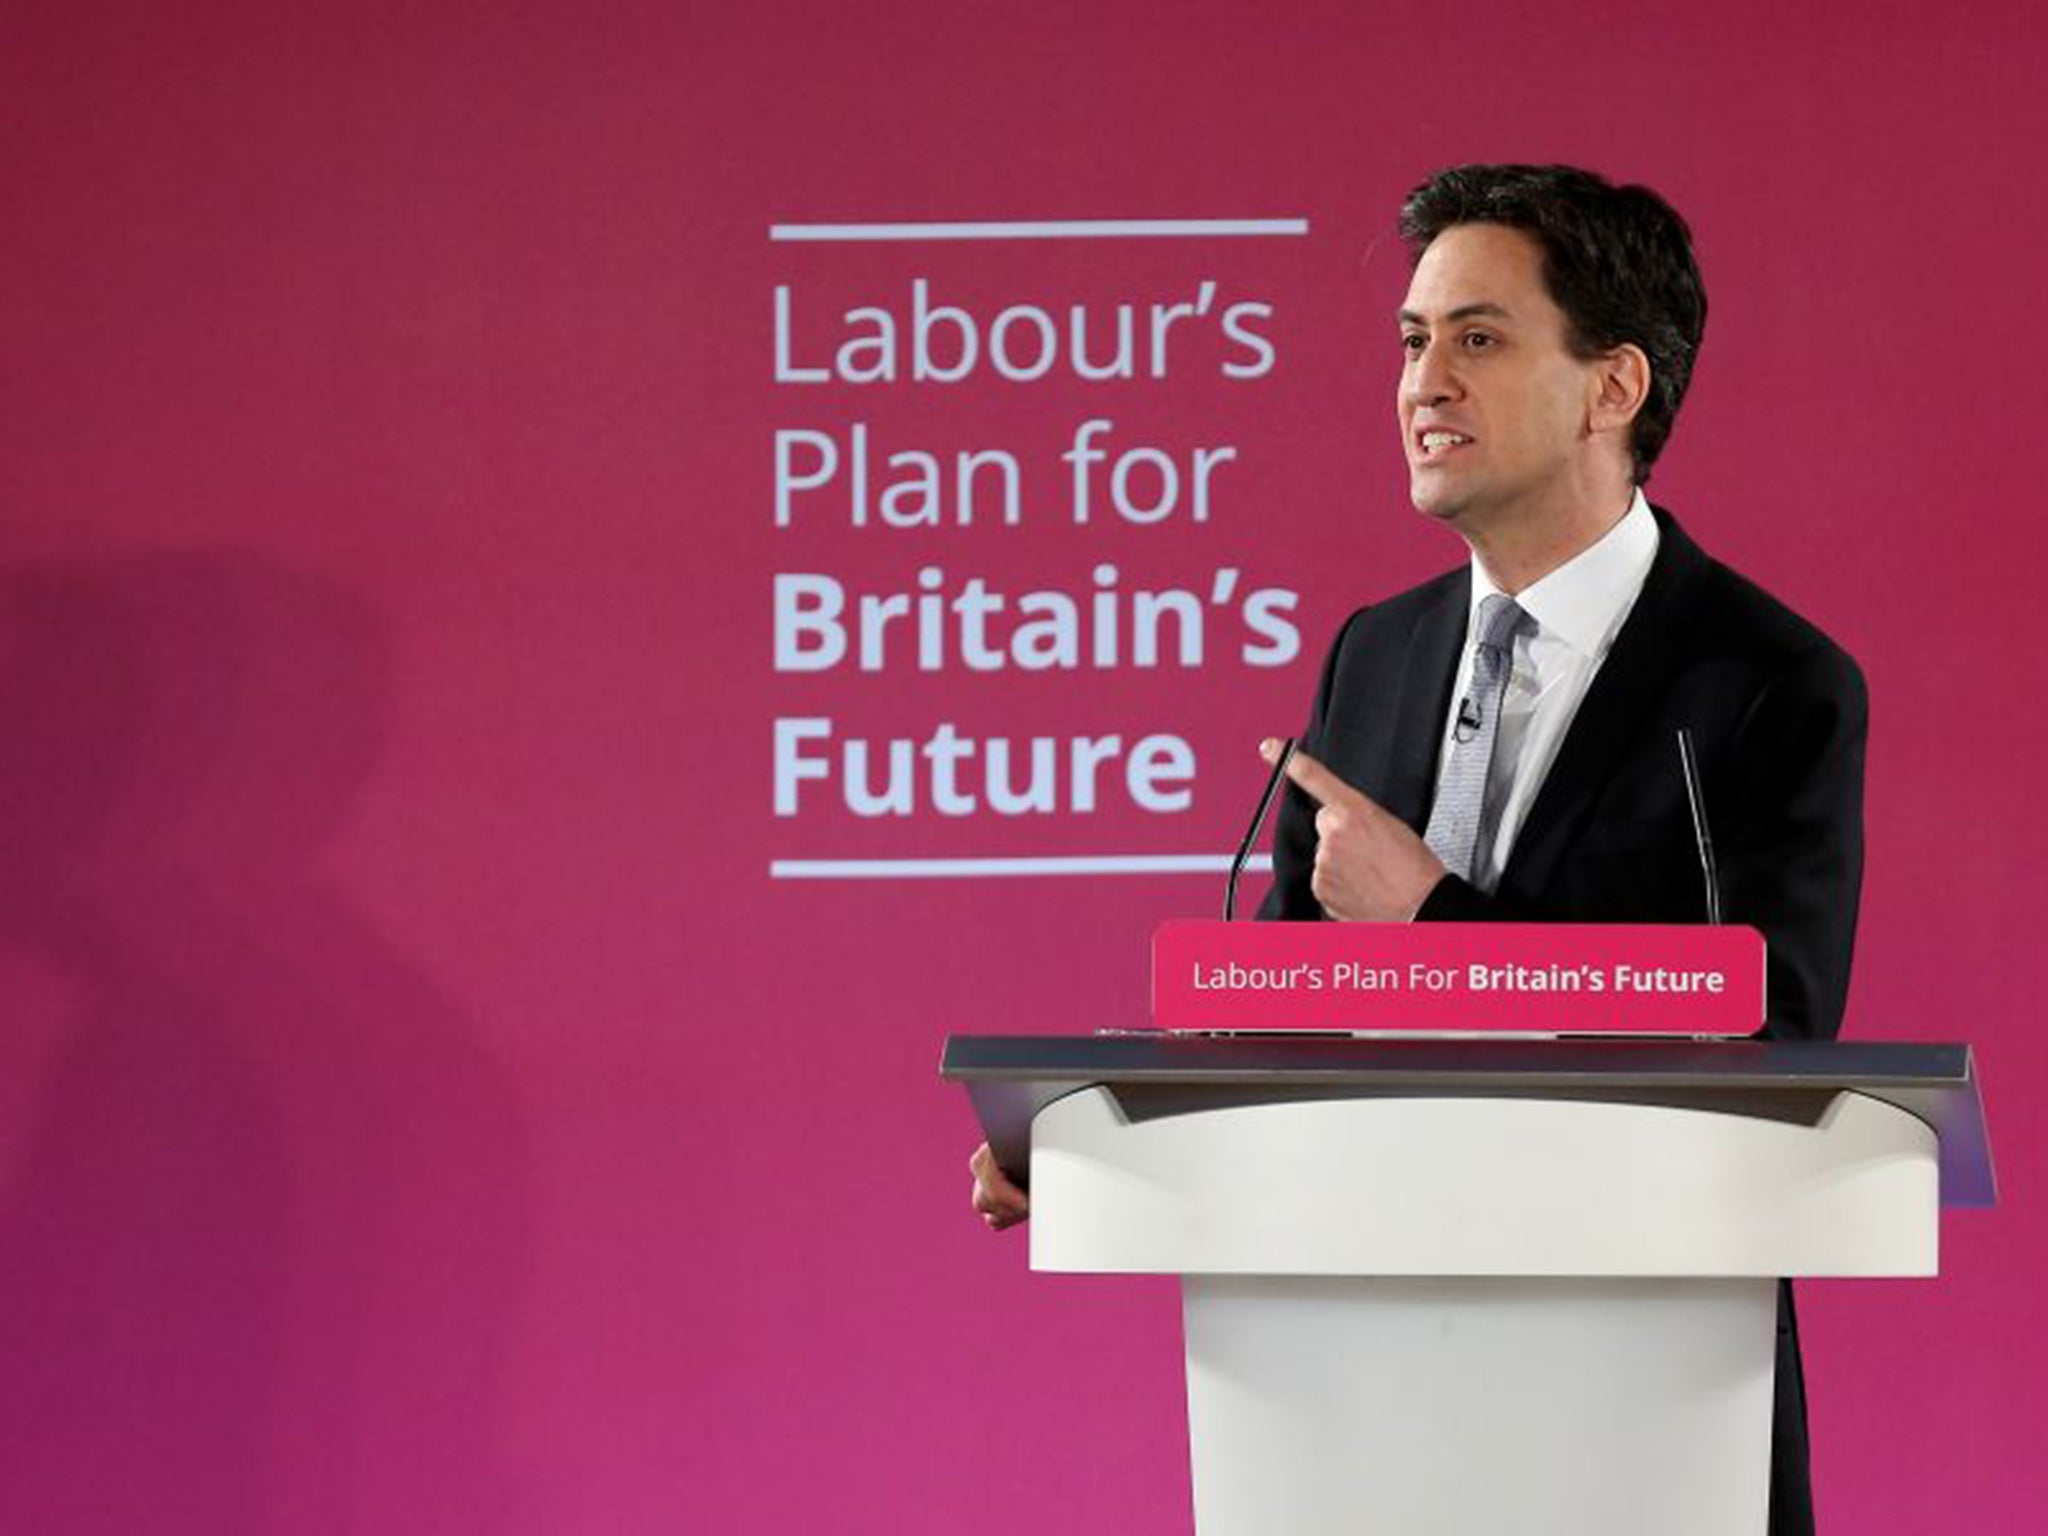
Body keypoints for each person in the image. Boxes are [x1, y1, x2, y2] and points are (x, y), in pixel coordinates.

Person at [970, 164, 1864, 1536]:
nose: (1421, 381)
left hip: (1647, 1397)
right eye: (1411, 341)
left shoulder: (1766, 681)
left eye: (1478, 338)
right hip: (1353, 1384)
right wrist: (1090, 1138)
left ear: (1612, 387)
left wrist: (1432, 921)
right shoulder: (1374, 655)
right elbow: (1271, 1006)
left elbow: (1780, 1037)